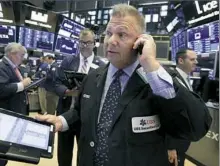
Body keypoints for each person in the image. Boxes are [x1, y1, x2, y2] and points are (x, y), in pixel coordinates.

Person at [36, 4, 211, 166]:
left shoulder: (157, 80)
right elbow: (80, 111)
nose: (111, 40)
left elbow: (196, 126)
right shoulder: (93, 76)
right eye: (109, 33)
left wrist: (150, 63)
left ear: (141, 42)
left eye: (122, 34)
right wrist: (61, 120)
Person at [54, 28, 106, 166]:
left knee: (84, 152)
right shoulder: (68, 61)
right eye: (81, 42)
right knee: (63, 150)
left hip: (86, 116)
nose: (84, 46)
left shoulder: (101, 65)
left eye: (88, 43)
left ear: (94, 43)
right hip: (66, 112)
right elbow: (56, 82)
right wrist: (67, 92)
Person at [0, 42, 31, 166]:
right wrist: (22, 85)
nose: (23, 58)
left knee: (5, 151)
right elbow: (1, 89)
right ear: (12, 54)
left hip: (11, 113)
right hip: (4, 115)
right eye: (21, 55)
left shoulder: (12, 66)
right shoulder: (2, 66)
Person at [166, 48, 198, 166]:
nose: (196, 62)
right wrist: (171, 146)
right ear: (181, 60)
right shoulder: (173, 79)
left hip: (182, 142)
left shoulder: (185, 78)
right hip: (175, 144)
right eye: (192, 59)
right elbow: (169, 113)